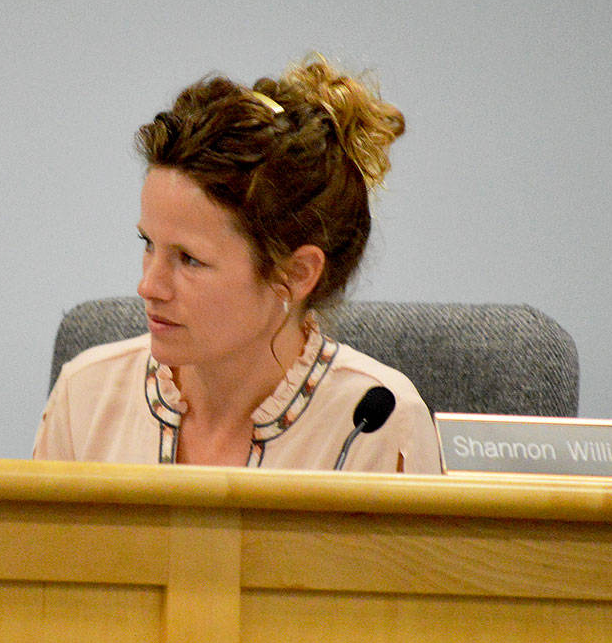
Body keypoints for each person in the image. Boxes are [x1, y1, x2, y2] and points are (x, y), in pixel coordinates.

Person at [33, 56, 440, 473]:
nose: (149, 286)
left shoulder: (380, 427)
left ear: (296, 274)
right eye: (148, 244)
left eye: (189, 259)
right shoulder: (84, 398)